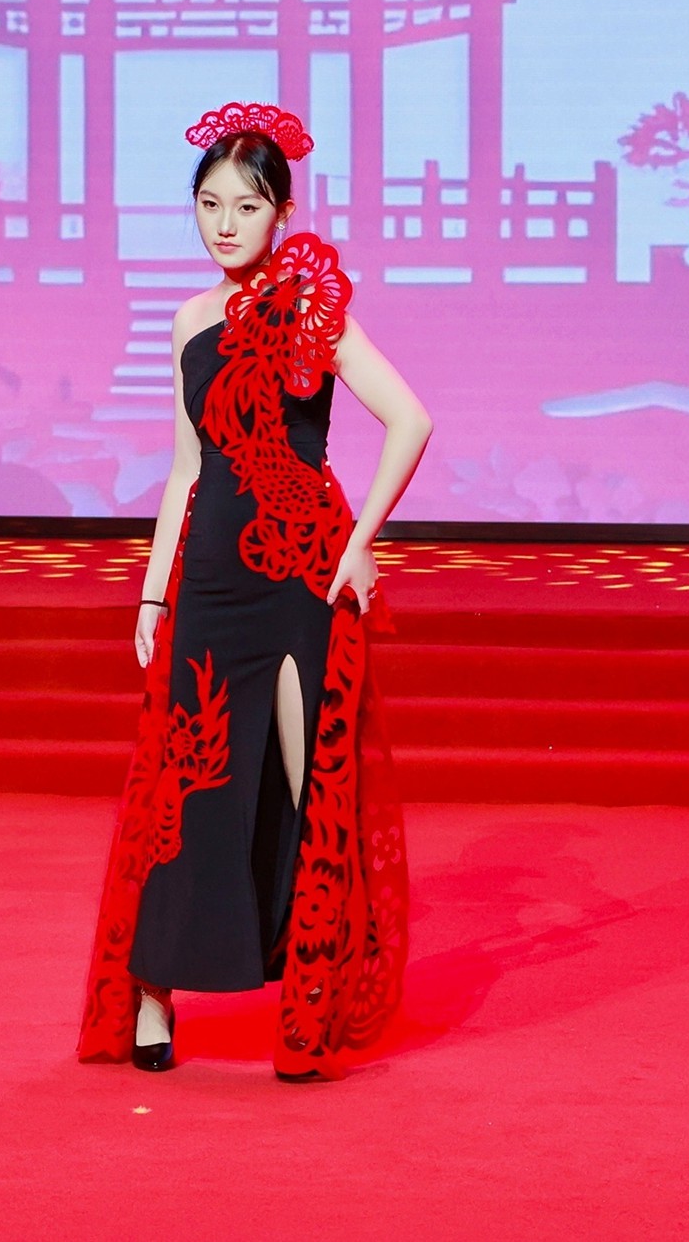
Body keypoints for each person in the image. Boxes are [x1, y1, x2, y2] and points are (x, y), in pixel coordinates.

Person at [76, 101, 433, 1082]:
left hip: (298, 578)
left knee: (305, 790)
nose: (225, 223)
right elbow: (187, 468)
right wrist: (152, 595)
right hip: (209, 584)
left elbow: (410, 420)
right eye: (210, 204)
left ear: (282, 212)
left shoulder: (313, 308)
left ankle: (306, 1011)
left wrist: (358, 541)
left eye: (246, 205)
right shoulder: (188, 321)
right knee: (182, 791)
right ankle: (154, 996)